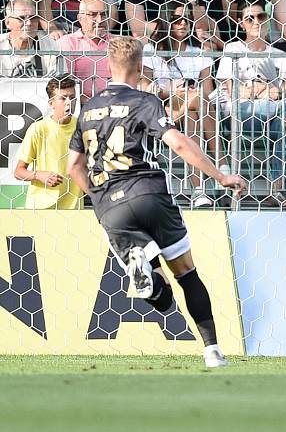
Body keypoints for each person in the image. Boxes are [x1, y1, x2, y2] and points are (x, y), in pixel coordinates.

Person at [66, 36, 246, 368]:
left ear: (108, 65)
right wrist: (220, 176)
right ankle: (212, 352)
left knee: (161, 300)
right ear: (139, 67)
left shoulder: (88, 108)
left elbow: (73, 167)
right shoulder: (144, 101)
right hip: (148, 192)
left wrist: (99, 199)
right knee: (187, 273)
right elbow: (177, 143)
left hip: (110, 206)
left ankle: (144, 265)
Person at [216, 1, 286, 202]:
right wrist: (264, 89)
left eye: (260, 17)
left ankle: (278, 189)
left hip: (274, 112)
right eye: (249, 18)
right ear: (241, 24)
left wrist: (264, 92)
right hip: (240, 113)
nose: (256, 22)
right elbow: (233, 90)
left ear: (268, 20)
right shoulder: (233, 48)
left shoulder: (280, 55)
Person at [141, 3, 220, 208]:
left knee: (195, 113)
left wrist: (188, 93)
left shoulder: (199, 52)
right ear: (166, 22)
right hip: (162, 107)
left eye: (186, 19)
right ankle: (222, 163)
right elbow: (144, 84)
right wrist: (169, 91)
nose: (183, 23)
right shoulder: (151, 50)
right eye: (177, 20)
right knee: (196, 100)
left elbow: (208, 90)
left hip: (193, 108)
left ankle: (199, 190)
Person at [14, 76, 83, 210]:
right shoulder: (38, 129)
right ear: (51, 103)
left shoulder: (81, 127)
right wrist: (39, 175)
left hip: (73, 210)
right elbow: (18, 171)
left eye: (72, 97)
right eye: (63, 98)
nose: (69, 102)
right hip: (41, 209)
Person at [57, 0, 112, 103]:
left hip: (116, 106)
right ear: (80, 18)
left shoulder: (118, 42)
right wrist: (92, 103)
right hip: (81, 106)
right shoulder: (68, 42)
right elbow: (65, 84)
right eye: (93, 15)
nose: (100, 20)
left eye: (104, 14)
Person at [0, 0, 63, 78]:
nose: (29, 23)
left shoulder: (51, 46)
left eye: (33, 18)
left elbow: (59, 85)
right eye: (21, 18)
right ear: (7, 22)